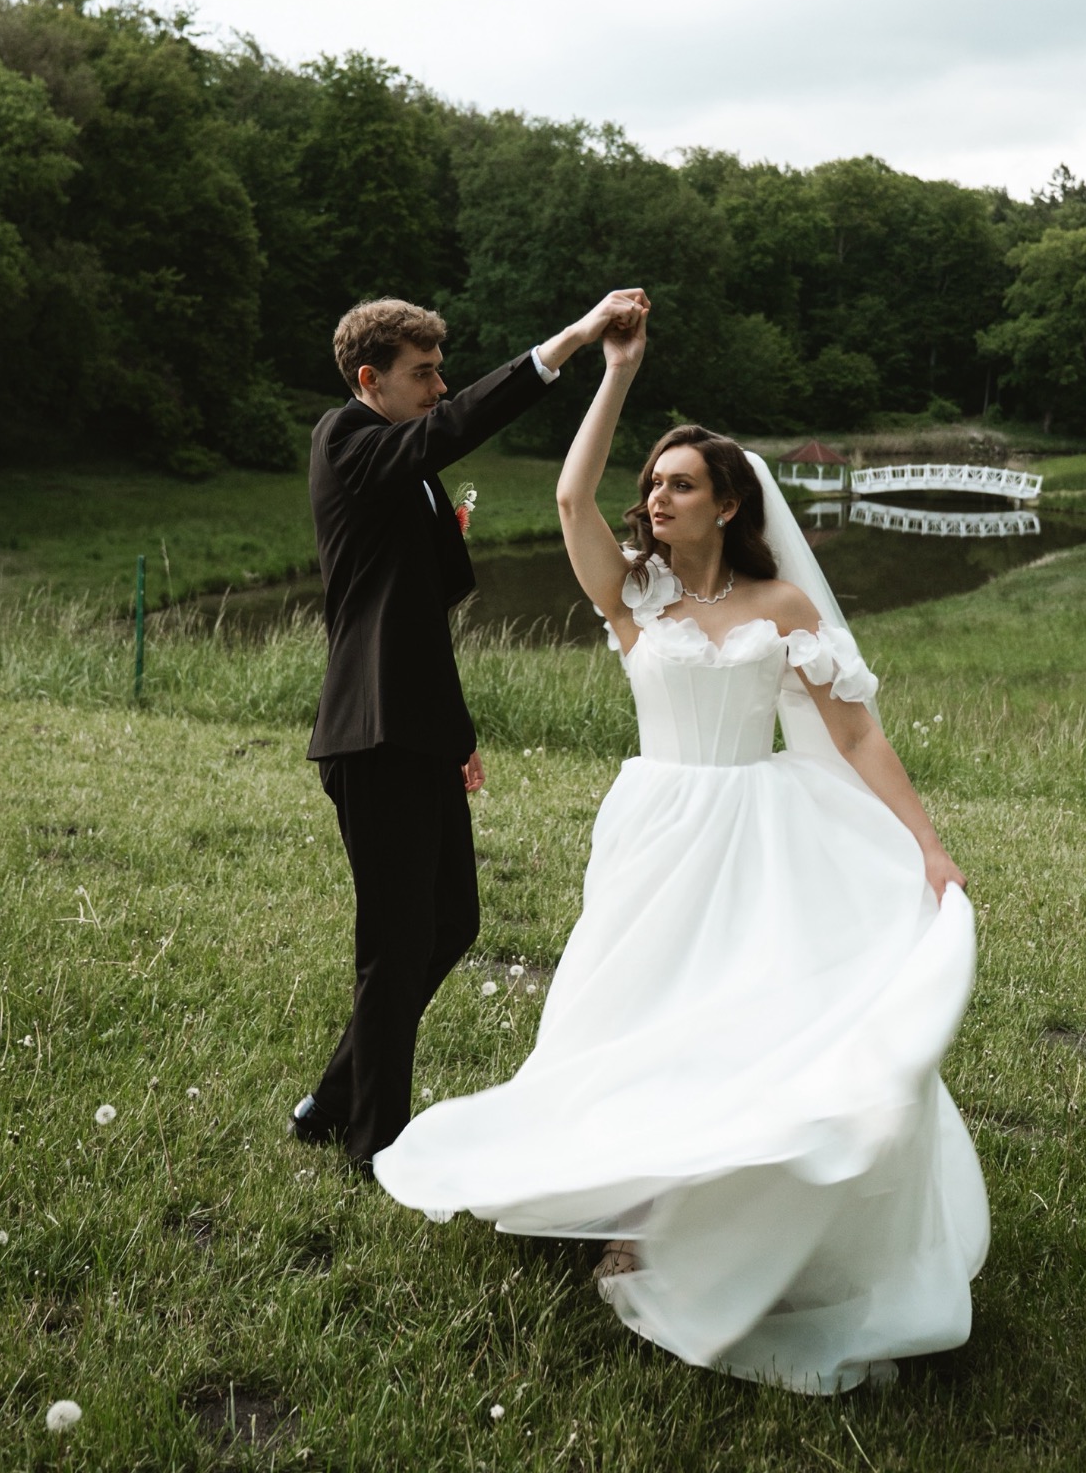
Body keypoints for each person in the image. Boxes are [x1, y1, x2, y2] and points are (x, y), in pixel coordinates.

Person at [373, 304, 989, 1393]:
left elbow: (853, 731)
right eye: (652, 485)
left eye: (680, 485)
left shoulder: (781, 601)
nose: (656, 498)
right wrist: (615, 371)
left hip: (759, 824)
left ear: (730, 500)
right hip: (657, 825)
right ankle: (628, 1194)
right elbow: (570, 497)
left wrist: (928, 848)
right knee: (633, 1014)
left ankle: (701, 1214)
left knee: (741, 1016)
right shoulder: (633, 594)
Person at [291, 289, 649, 1172]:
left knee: (450, 919)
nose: (438, 387)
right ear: (369, 380)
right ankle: (371, 1142)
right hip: (369, 731)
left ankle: (331, 1101)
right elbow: (447, 432)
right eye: (423, 374)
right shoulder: (346, 439)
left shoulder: (402, 463)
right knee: (395, 940)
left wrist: (456, 736)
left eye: (440, 371)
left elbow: (422, 612)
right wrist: (567, 343)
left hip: (413, 725)